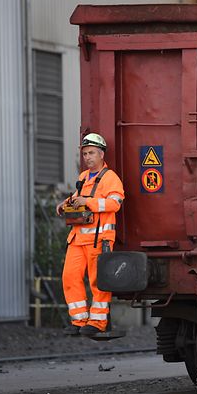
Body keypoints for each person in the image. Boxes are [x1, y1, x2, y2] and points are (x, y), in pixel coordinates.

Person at [55, 133, 125, 337]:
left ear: (101, 154)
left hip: (99, 240)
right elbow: (78, 197)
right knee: (70, 278)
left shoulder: (110, 178)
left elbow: (115, 203)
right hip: (77, 239)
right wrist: (65, 204)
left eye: (91, 153)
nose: (87, 157)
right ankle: (79, 321)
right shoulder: (83, 177)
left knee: (98, 282)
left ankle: (98, 323)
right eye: (85, 153)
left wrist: (88, 203)